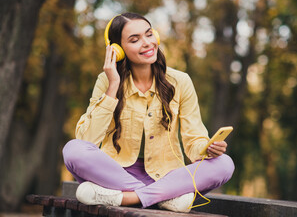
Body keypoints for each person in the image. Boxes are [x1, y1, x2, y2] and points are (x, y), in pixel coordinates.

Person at [62, 12, 235, 213]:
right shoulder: (106, 81)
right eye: (134, 40)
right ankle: (163, 198)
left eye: (149, 34)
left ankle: (130, 198)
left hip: (167, 177)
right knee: (72, 149)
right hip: (116, 176)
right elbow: (87, 140)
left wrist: (207, 148)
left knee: (224, 164)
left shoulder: (180, 81)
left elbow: (193, 139)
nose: (146, 43)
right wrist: (113, 86)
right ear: (117, 50)